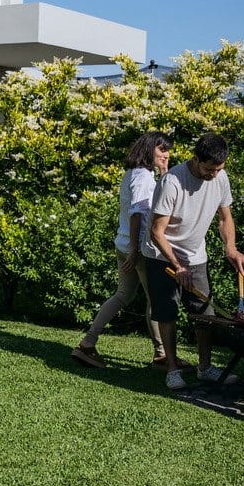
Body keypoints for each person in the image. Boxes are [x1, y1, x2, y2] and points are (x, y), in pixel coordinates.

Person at [140, 132, 244, 391]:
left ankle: (205, 368)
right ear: (196, 159)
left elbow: (225, 218)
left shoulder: (220, 177)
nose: (214, 175)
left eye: (219, 169)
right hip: (160, 255)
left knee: (204, 314)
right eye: (210, 169)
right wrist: (177, 266)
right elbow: (157, 231)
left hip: (195, 255)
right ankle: (172, 370)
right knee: (167, 312)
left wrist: (231, 249)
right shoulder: (172, 181)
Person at [72, 131, 171, 369]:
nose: (166, 155)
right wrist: (136, 251)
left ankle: (88, 343)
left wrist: (165, 174)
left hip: (125, 244)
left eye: (167, 150)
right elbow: (137, 214)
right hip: (138, 249)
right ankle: (162, 355)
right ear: (149, 149)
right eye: (162, 150)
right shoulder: (143, 177)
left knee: (123, 295)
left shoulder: (136, 174)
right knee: (155, 300)